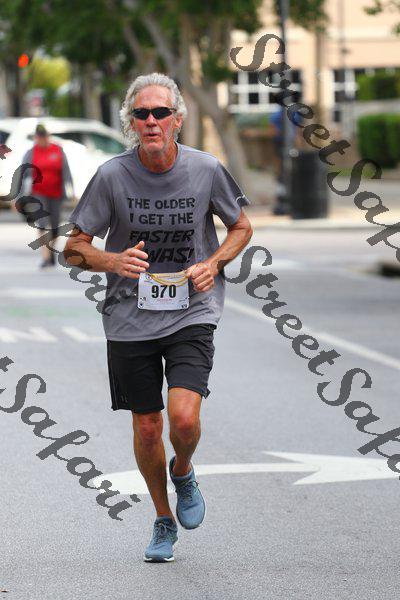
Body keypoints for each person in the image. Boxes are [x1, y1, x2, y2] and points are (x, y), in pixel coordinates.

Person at [64, 73, 253, 563]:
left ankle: (183, 469)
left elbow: (241, 226)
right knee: (148, 427)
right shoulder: (111, 176)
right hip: (129, 316)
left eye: (161, 113)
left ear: (177, 120)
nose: (151, 121)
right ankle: (163, 518)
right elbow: (73, 249)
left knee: (184, 419)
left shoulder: (205, 169)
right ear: (131, 122)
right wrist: (113, 260)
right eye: (142, 114)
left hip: (192, 310)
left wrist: (214, 263)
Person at [19, 123, 74, 268]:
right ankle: (45, 257)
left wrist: (71, 191)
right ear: (36, 138)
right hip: (38, 193)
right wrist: (19, 197)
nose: (41, 139)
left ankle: (50, 252)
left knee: (55, 227)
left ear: (48, 136)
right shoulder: (31, 153)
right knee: (42, 224)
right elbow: (22, 175)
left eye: (43, 136)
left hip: (56, 193)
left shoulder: (57, 150)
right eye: (39, 137)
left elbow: (66, 171)